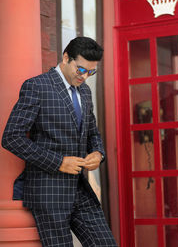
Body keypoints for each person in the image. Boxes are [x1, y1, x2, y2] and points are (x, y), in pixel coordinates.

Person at [2, 37, 117, 247]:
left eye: (91, 72)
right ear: (66, 57)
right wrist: (58, 162)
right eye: (81, 69)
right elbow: (11, 137)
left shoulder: (85, 91)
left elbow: (93, 133)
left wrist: (98, 154)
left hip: (80, 190)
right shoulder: (37, 86)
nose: (85, 76)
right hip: (48, 192)